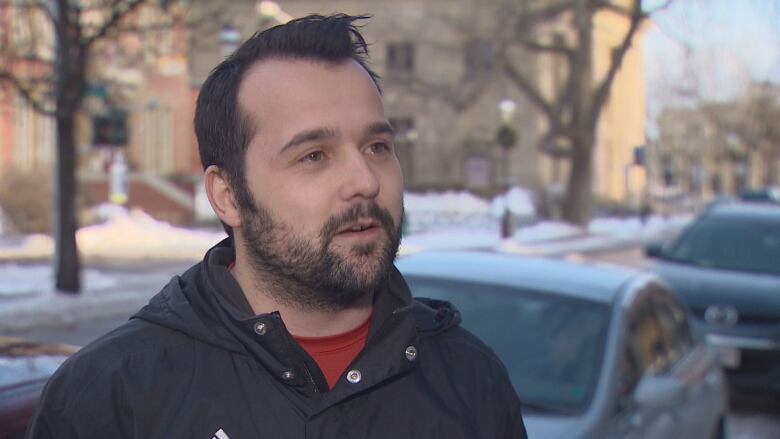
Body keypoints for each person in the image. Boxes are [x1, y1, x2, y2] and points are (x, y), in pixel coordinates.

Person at [27, 14, 527, 438]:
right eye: (314, 156)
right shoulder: (112, 396)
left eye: (377, 147)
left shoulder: (470, 381)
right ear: (228, 196)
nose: (364, 181)